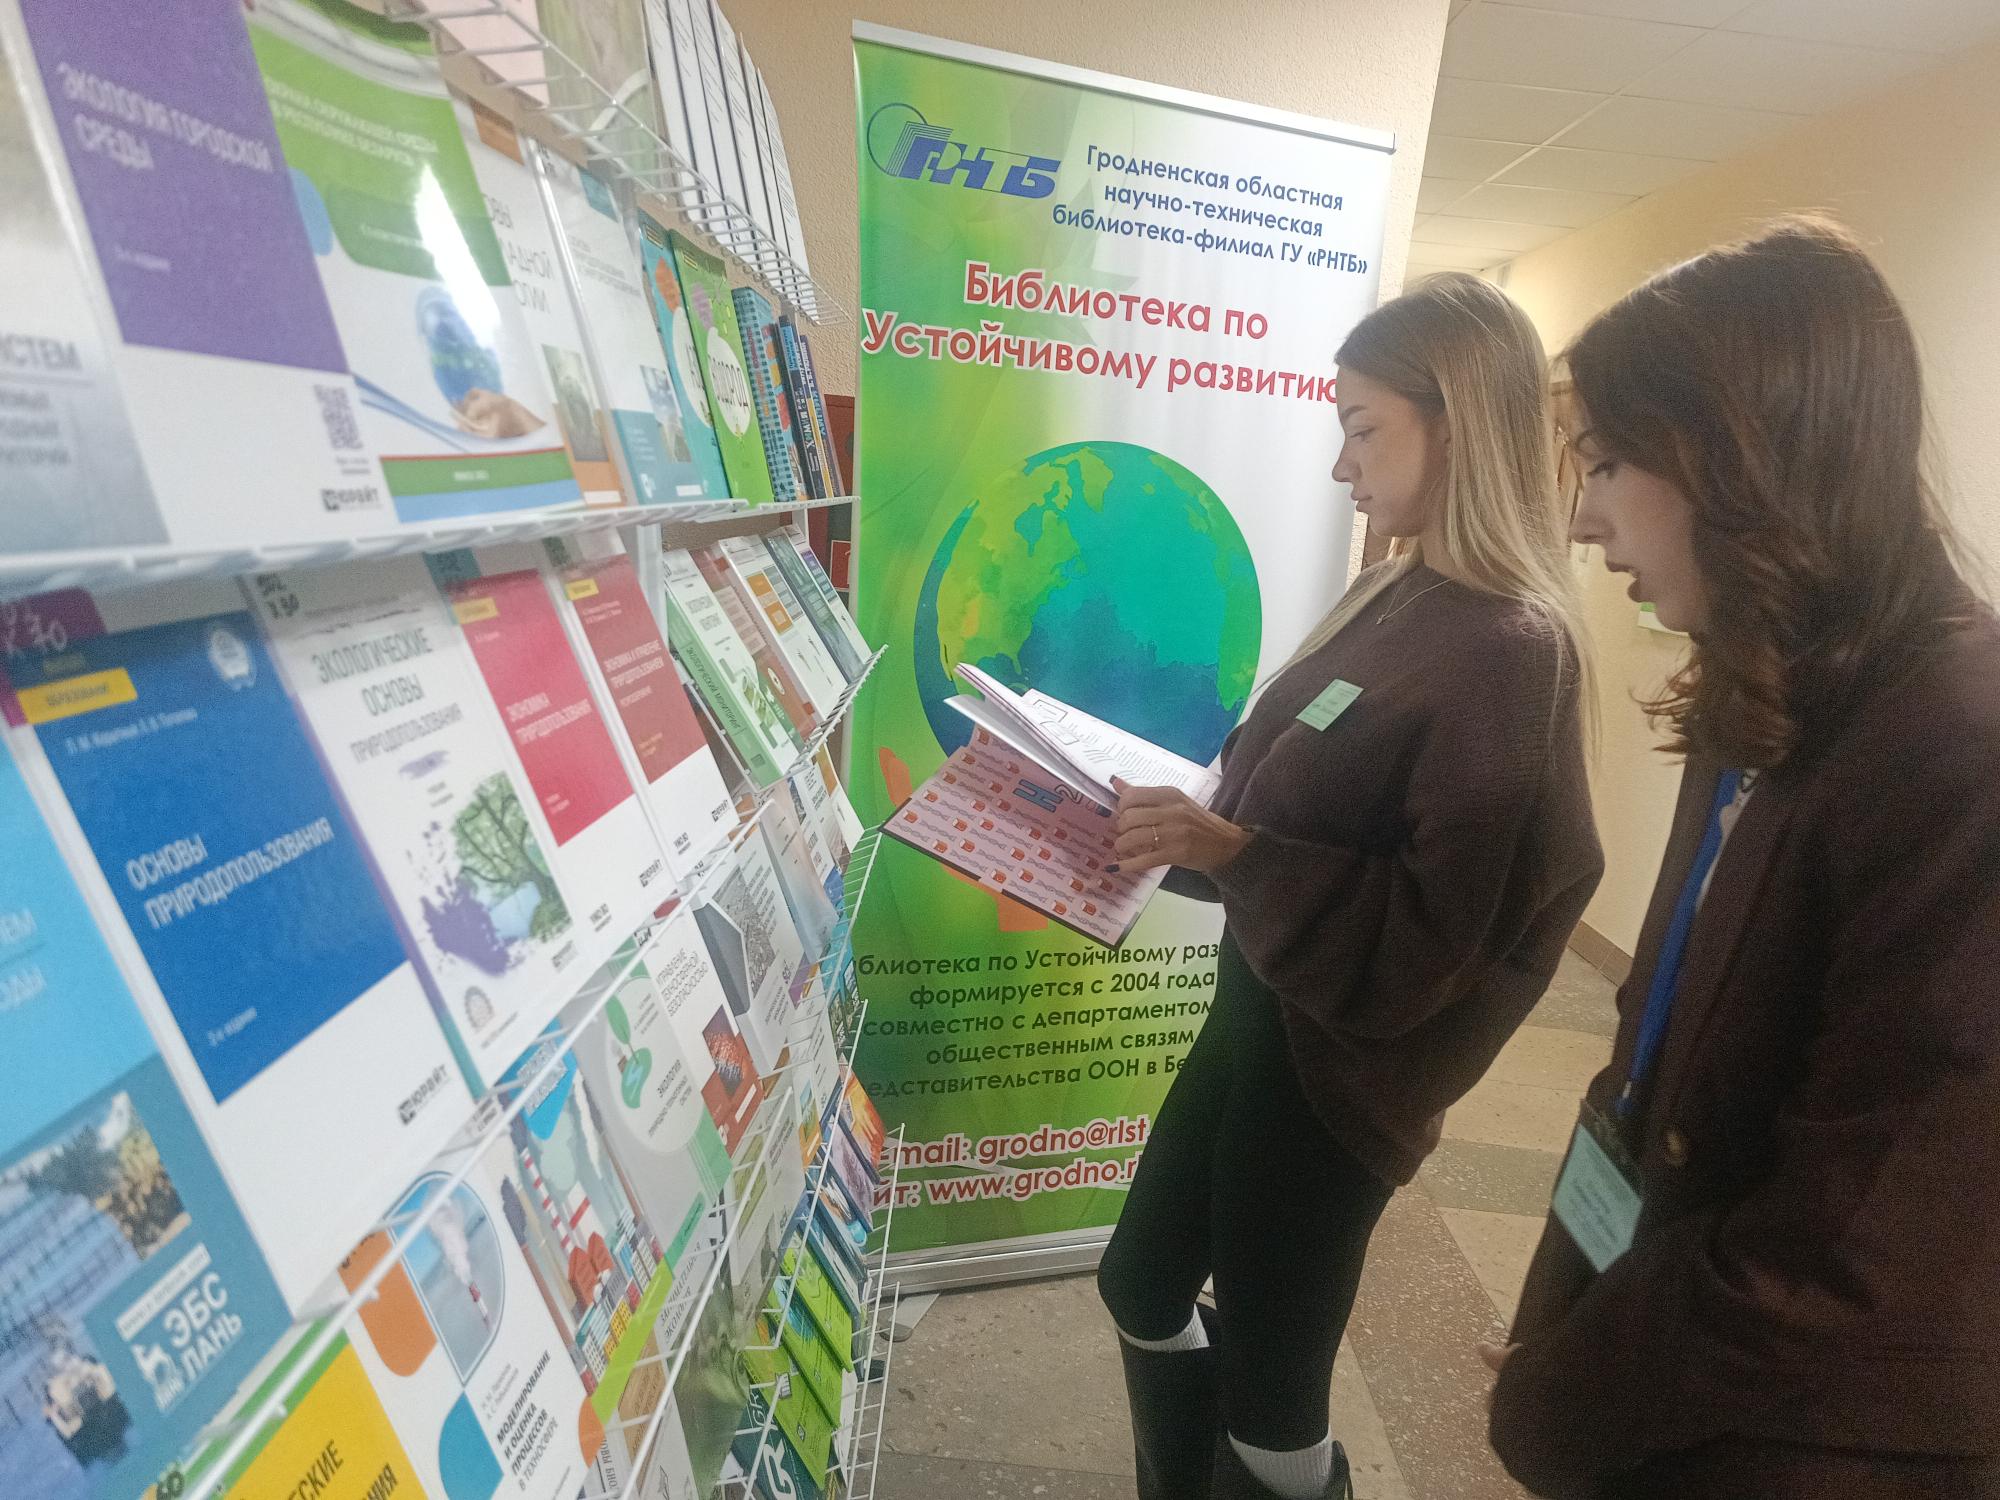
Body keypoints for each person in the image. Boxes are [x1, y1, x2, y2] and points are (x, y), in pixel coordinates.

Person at [1488, 218, 2000, 1497]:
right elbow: (1668, 1051)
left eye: (1608, 464)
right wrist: (1575, 1317)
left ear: (1737, 457)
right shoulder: (1765, 682)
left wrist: (1575, 1387)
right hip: (1673, 1346)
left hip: (1808, 1434)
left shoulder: (1960, 749)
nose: (1582, 519)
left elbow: (1846, 1239)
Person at [1096, 273, 1603, 1500]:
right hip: (1253, 1017)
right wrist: (1187, 826)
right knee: (1140, 1282)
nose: (1341, 467)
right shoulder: (1395, 590)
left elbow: (1441, 932)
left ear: (1457, 423)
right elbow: (1286, 788)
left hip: (1337, 1078)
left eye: (1362, 428)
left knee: (1272, 1399)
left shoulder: (1512, 651)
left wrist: (1236, 854)